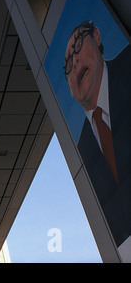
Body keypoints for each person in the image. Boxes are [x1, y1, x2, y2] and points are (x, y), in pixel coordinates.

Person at [64, 20, 131, 247]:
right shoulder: (80, 147)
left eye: (78, 45)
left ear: (97, 36)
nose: (74, 63)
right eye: (67, 64)